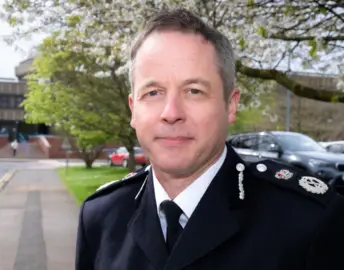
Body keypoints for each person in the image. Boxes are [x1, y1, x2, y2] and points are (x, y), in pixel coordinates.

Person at [75, 8, 344, 270]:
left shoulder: (306, 220)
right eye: (153, 92)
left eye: (194, 91)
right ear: (134, 109)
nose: (171, 113)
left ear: (230, 105)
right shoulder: (101, 218)